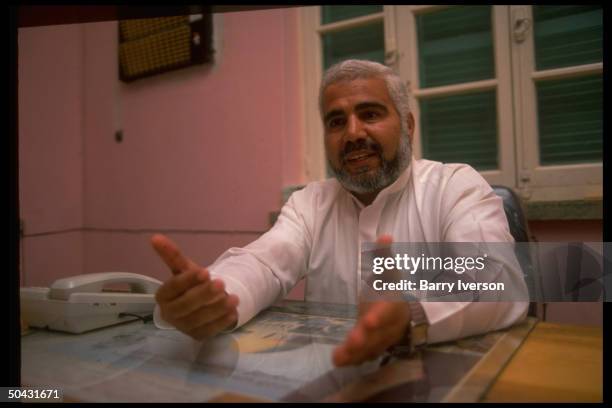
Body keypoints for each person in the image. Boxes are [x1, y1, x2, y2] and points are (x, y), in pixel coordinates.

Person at [151, 59, 528, 367]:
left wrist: (410, 314)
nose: (352, 133)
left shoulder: (454, 185)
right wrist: (220, 298)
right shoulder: (310, 203)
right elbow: (264, 265)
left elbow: (496, 279)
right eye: (336, 121)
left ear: (408, 126)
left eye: (370, 113)